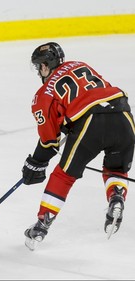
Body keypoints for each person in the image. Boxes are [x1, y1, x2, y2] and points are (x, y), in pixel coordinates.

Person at [21, 42, 135, 250]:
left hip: (91, 122)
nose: (39, 72)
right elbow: (97, 92)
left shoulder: (43, 93)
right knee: (116, 169)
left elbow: (49, 143)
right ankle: (116, 198)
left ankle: (41, 225)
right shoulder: (80, 65)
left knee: (64, 175)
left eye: (39, 67)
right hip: (123, 114)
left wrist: (35, 163)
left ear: (45, 66)